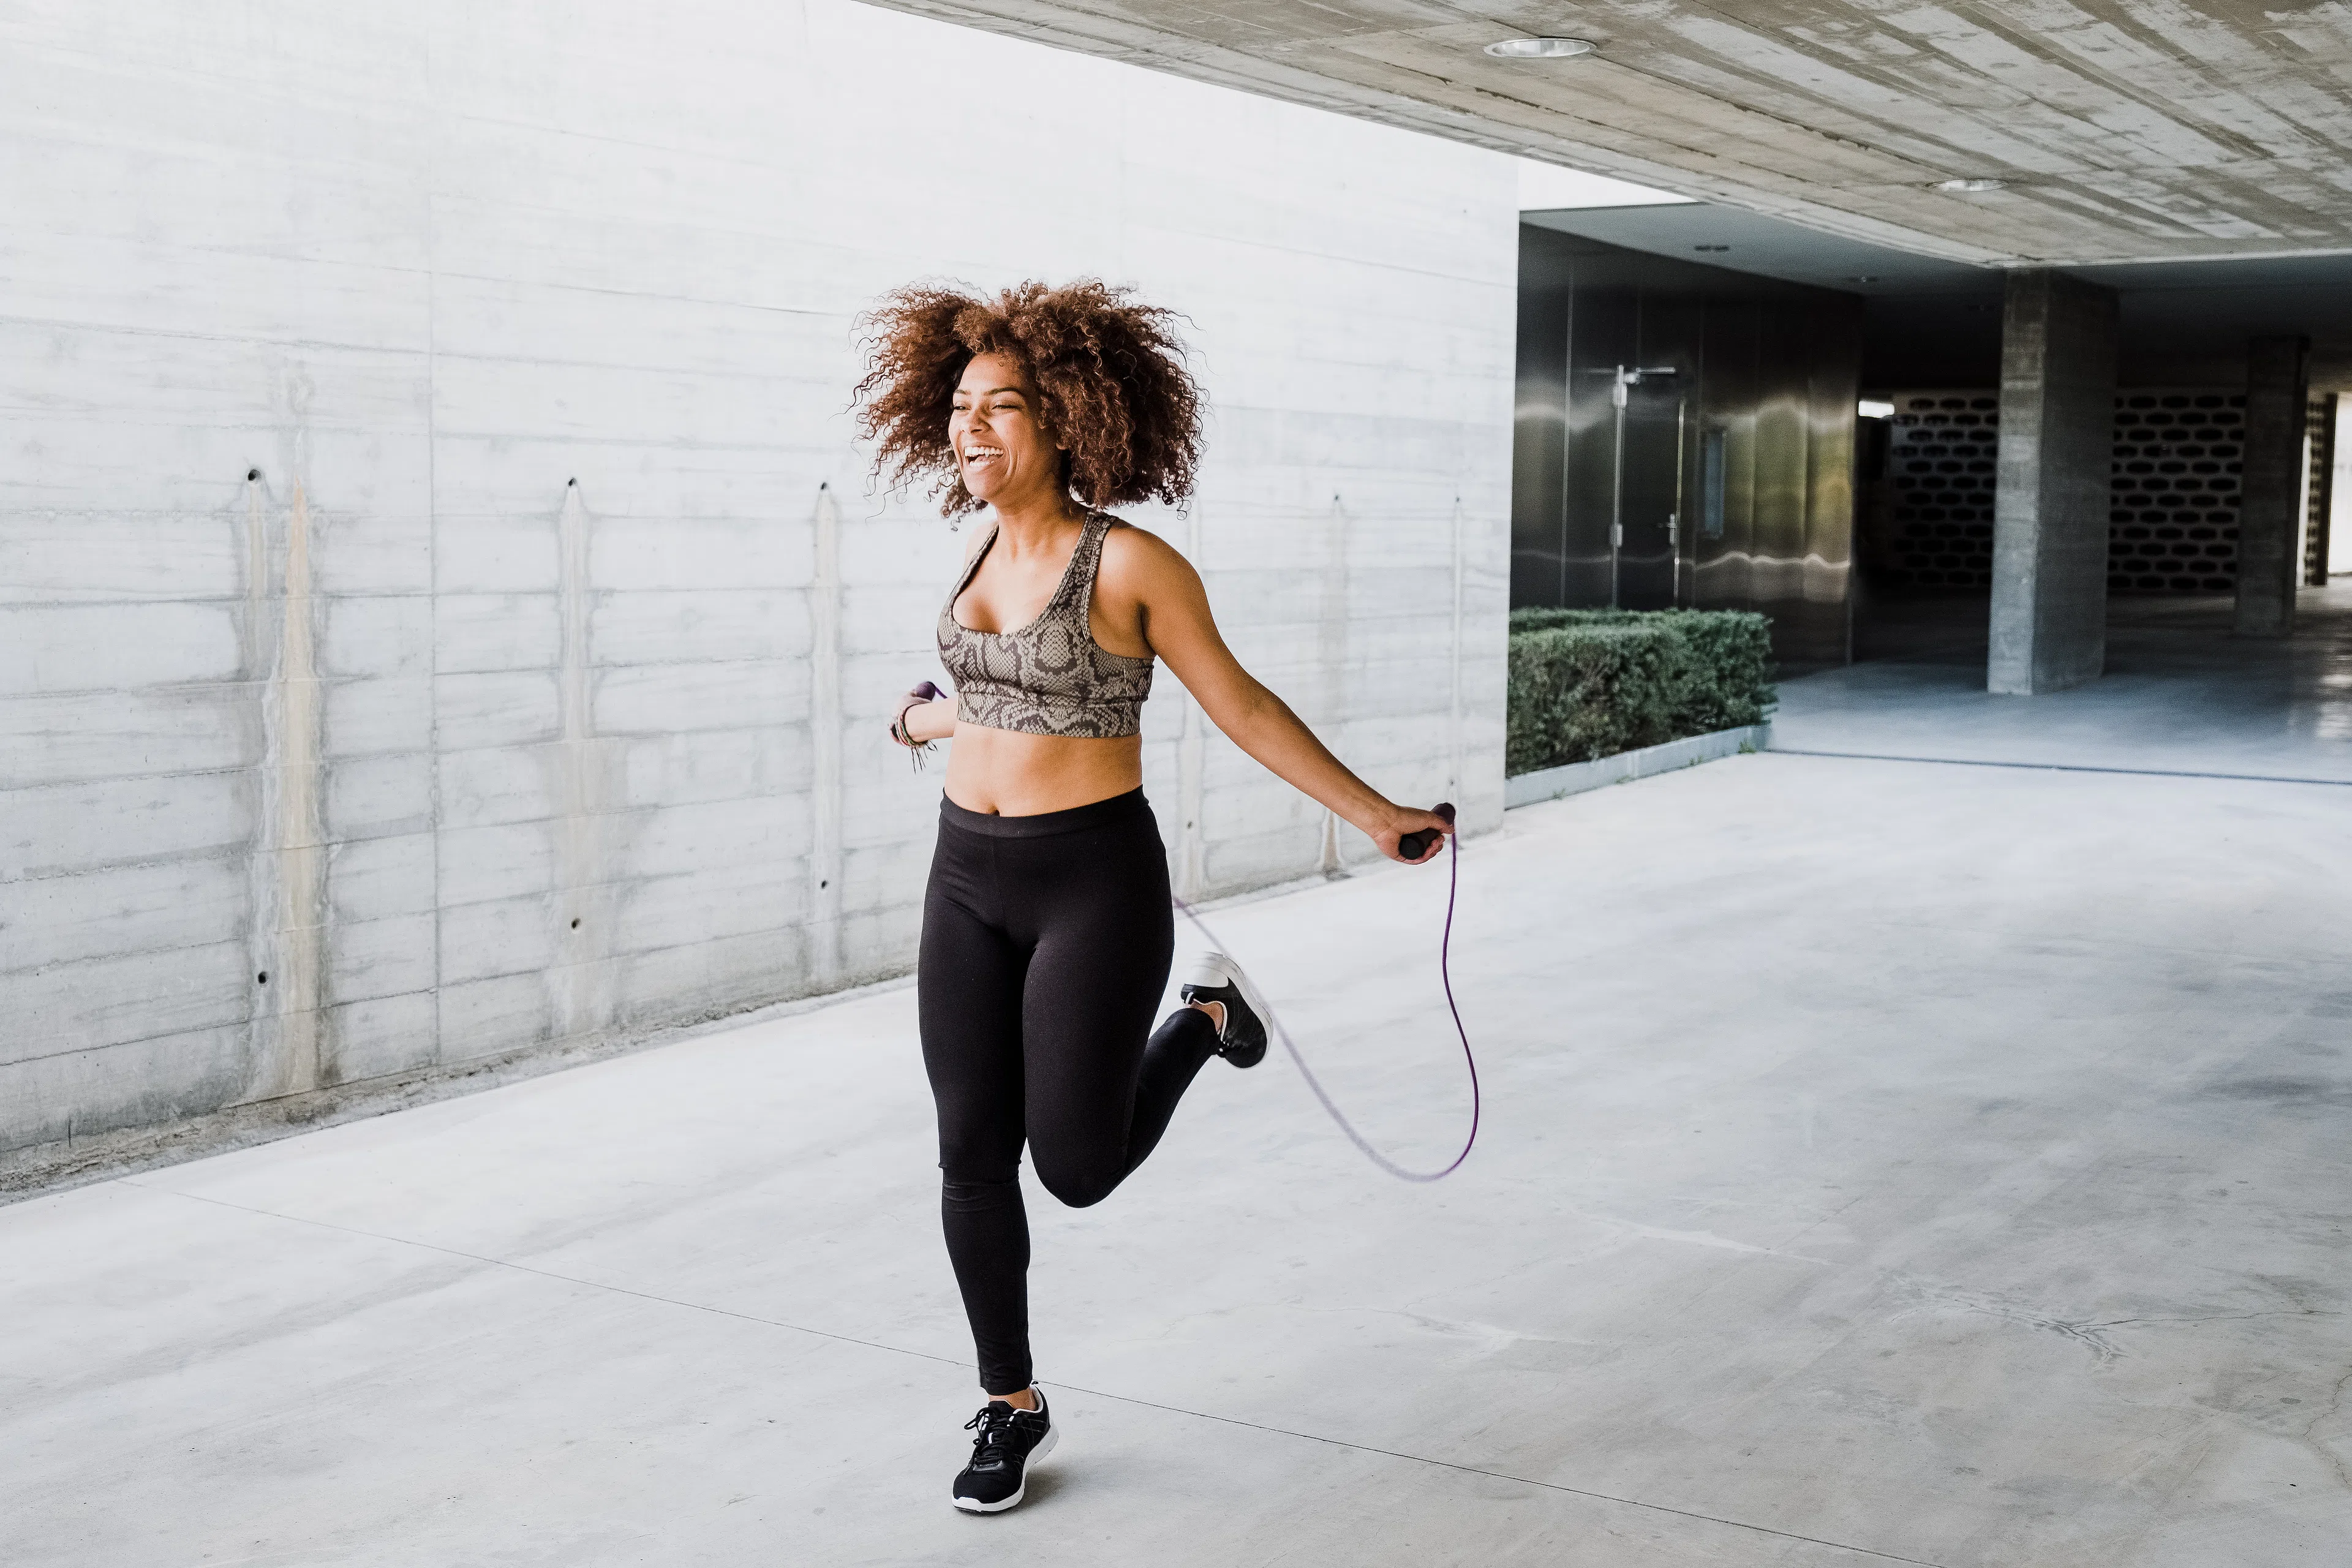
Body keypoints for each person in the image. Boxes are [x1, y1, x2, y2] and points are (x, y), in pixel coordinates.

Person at [853, 280, 1452, 1514]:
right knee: (971, 1152)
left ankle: (1205, 1023)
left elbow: (1240, 705)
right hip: (965, 873)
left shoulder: (1128, 561)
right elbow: (983, 694)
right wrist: (920, 716)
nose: (973, 429)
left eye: (1002, 406)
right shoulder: (971, 543)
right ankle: (1009, 1400)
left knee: (1072, 1165)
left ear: (1068, 419)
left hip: (1092, 877)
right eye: (960, 407)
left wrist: (1378, 815)